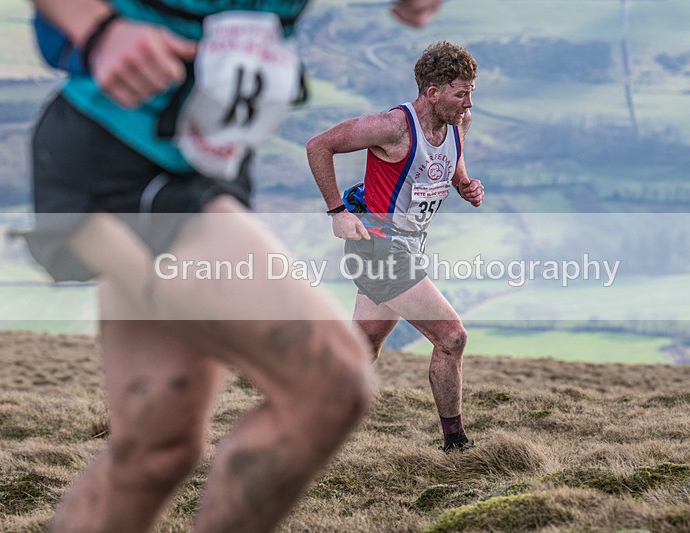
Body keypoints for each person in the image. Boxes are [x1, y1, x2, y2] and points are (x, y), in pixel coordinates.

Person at [27, 0, 444, 531]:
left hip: (208, 167)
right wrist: (98, 27)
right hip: (116, 158)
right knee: (330, 383)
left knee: (157, 449)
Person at [306, 41, 483, 453]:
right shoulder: (393, 127)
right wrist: (337, 211)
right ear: (432, 92)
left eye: (472, 91)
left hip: (408, 246)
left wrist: (464, 185)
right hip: (377, 250)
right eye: (461, 92)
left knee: (361, 348)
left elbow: (450, 164)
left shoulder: (459, 122)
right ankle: (456, 444)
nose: (469, 101)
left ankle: (303, 421)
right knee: (452, 337)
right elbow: (319, 145)